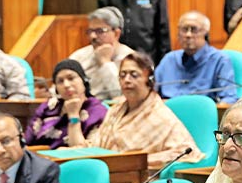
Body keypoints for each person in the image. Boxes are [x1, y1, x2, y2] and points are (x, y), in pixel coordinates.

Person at [76, 52, 204, 168]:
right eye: (122, 75)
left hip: (140, 179)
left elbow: (186, 151)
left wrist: (138, 161)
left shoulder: (160, 116)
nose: (127, 80)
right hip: (106, 172)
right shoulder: (115, 110)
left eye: (134, 75)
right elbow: (97, 146)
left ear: (149, 80)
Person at [155, 11, 238, 104]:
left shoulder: (220, 60)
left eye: (194, 30)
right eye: (184, 29)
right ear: (178, 34)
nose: (188, 35)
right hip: (167, 114)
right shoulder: (169, 59)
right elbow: (150, 93)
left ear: (205, 34)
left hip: (202, 116)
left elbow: (229, 98)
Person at [25, 59, 107, 149]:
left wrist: (73, 115)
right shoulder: (48, 107)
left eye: (71, 78)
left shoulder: (98, 111)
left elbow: (82, 150)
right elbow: (28, 140)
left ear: (84, 80)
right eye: (60, 81)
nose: (66, 85)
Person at [69, 7, 134, 101]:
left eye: (100, 31)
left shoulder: (130, 58)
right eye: (90, 31)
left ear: (116, 33)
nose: (93, 36)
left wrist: (105, 62)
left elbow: (123, 93)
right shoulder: (79, 56)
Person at [98, 0, 171, 65]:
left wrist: (163, 65)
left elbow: (163, 32)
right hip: (116, 60)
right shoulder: (107, 0)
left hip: (147, 59)